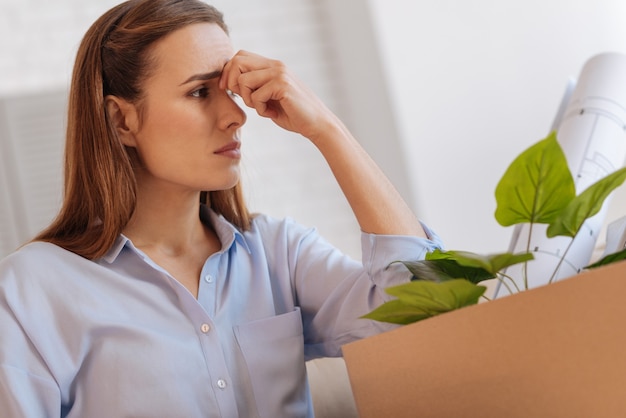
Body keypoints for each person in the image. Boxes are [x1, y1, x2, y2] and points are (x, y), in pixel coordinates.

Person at [0, 0, 442, 416]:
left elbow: (429, 315)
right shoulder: (31, 290)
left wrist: (326, 129)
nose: (237, 116)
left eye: (230, 90)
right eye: (198, 93)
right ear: (121, 121)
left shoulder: (278, 253)